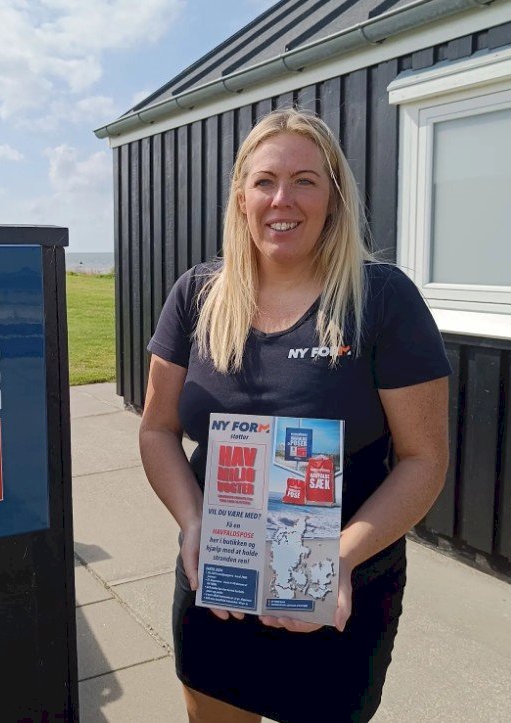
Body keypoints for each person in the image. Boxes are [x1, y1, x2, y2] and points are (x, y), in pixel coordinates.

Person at [138, 109, 450, 723]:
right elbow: (156, 429)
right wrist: (192, 522)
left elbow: (425, 458)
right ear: (241, 196)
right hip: (218, 575)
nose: (284, 199)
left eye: (306, 180)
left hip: (338, 584)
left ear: (333, 196)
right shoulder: (196, 294)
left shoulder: (382, 299)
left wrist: (339, 557)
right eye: (265, 181)